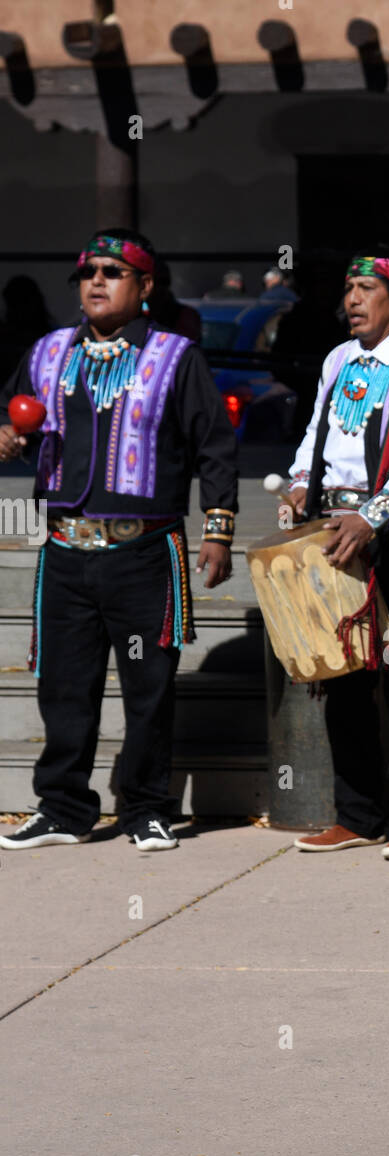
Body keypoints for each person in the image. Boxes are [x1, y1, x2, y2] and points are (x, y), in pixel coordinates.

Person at [0, 228, 238, 852]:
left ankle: (146, 808)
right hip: (64, 550)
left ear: (146, 286)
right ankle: (63, 808)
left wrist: (217, 531)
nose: (96, 282)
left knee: (148, 687)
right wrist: (7, 435)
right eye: (87, 273)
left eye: (113, 271)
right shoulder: (48, 351)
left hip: (144, 553)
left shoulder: (175, 356)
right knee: (63, 687)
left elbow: (214, 446)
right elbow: (12, 415)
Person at [280, 247, 389, 861]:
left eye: (366, 289)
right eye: (349, 288)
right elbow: (316, 434)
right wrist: (301, 481)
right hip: (337, 535)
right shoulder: (337, 360)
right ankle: (356, 813)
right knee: (344, 675)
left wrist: (372, 515)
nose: (352, 300)